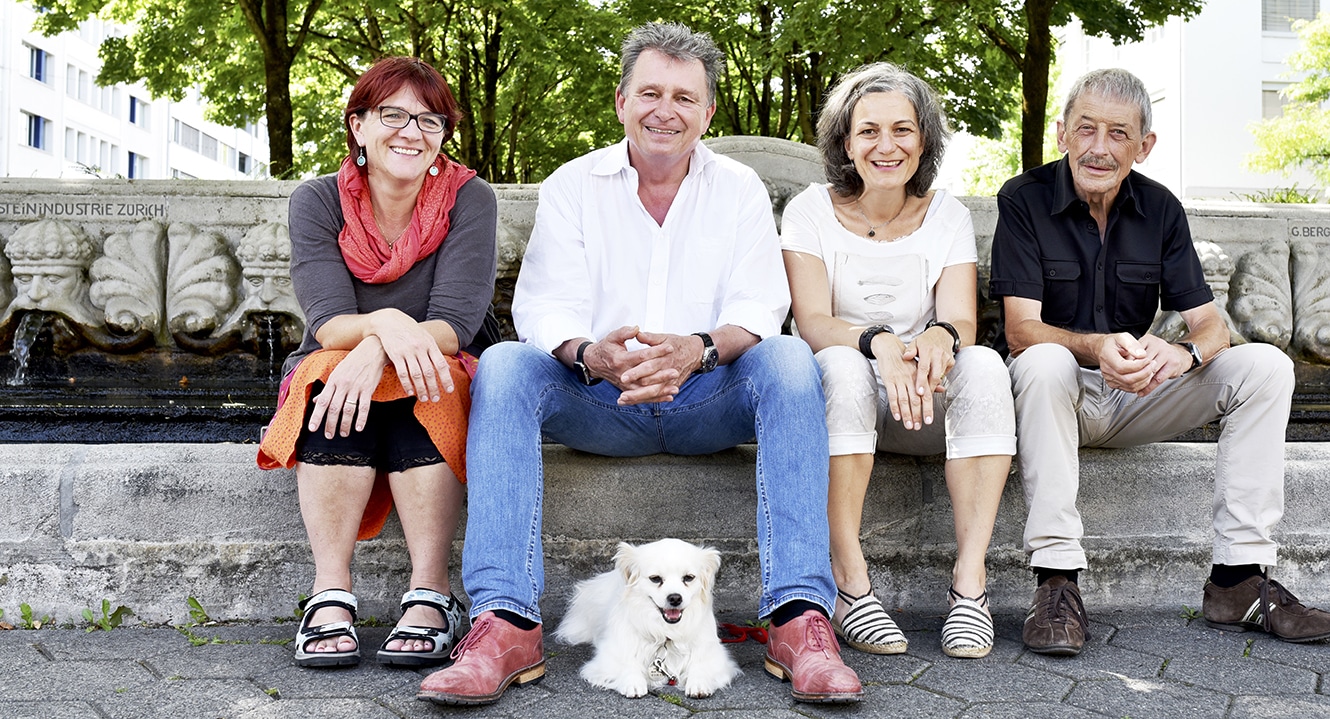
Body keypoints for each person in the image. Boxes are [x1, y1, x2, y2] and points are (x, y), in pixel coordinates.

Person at [418, 22, 862, 706]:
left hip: (705, 397)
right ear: (621, 101)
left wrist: (700, 350)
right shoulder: (573, 185)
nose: (666, 109)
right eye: (650, 92)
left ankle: (799, 619)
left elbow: (759, 303)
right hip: (599, 399)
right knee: (504, 364)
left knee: (791, 360)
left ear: (708, 111)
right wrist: (590, 355)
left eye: (685, 97)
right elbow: (543, 305)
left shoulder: (739, 188)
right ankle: (505, 623)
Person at [989, 68, 1330, 656]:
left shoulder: (1161, 209)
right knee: (1044, 361)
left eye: (1118, 134)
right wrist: (1098, 347)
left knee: (1267, 366)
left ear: (1143, 145)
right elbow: (1020, 330)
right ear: (1064, 132)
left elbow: (1211, 326)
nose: (1099, 147)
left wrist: (1180, 353)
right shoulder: (1023, 200)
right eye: (1086, 129)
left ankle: (1237, 581)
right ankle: (1056, 584)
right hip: (1052, 395)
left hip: (1134, 396)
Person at [256, 56, 498, 669]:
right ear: (358, 125)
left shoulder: (469, 199)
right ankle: (329, 590)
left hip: (439, 351)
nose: (411, 132)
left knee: (429, 380)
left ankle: (430, 593)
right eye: (393, 114)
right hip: (342, 353)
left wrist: (378, 342)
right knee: (326, 384)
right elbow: (325, 319)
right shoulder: (317, 200)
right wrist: (384, 327)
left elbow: (457, 321)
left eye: (430, 120)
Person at [782, 63, 1015, 660]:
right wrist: (879, 342)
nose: (886, 146)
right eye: (869, 131)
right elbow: (811, 321)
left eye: (903, 130)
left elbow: (962, 318)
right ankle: (852, 589)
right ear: (845, 142)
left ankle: (970, 589)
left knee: (986, 365)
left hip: (924, 396)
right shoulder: (809, 210)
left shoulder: (947, 214)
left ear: (924, 140)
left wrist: (940, 336)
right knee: (837, 363)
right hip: (847, 400)